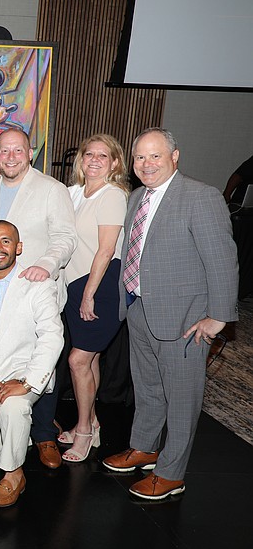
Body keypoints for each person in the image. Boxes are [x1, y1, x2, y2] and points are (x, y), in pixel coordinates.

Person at [102, 128, 238, 501]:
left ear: (175, 157)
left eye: (155, 156)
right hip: (139, 307)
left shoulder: (201, 196)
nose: (146, 164)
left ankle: (172, 471)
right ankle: (144, 447)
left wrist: (218, 317)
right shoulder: (135, 197)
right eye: (140, 158)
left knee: (182, 397)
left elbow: (223, 259)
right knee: (147, 388)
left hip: (185, 320)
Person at [0, 128, 77, 469]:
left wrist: (45, 266)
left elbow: (66, 237)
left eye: (17, 150)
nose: (10, 156)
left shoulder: (52, 189)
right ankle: (10, 426)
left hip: (37, 289)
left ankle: (44, 437)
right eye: (4, 151)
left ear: (30, 152)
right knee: (6, 356)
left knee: (43, 359)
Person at [0, 221, 64, 507]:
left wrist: (28, 383)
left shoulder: (39, 285)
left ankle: (13, 476)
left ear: (18, 248)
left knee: (13, 406)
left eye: (6, 241)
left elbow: (52, 337)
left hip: (25, 372)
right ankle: (19, 434)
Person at [58, 134, 129, 463]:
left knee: (78, 360)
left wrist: (88, 295)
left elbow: (106, 250)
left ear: (115, 163)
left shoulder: (112, 195)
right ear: (81, 159)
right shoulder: (72, 194)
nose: (95, 160)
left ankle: (84, 431)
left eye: (104, 156)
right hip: (75, 284)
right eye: (90, 154)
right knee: (92, 359)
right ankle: (94, 422)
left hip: (100, 284)